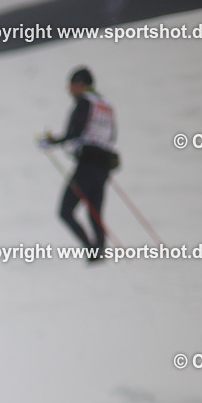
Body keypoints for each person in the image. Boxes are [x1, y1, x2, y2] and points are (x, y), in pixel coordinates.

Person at [41, 67, 120, 263]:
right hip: (104, 164)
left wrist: (51, 142)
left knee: (65, 211)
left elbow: (74, 132)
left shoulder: (85, 102)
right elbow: (112, 136)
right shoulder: (105, 104)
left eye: (72, 85)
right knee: (95, 210)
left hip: (87, 163)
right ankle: (99, 251)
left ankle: (92, 250)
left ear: (81, 84)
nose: (69, 90)